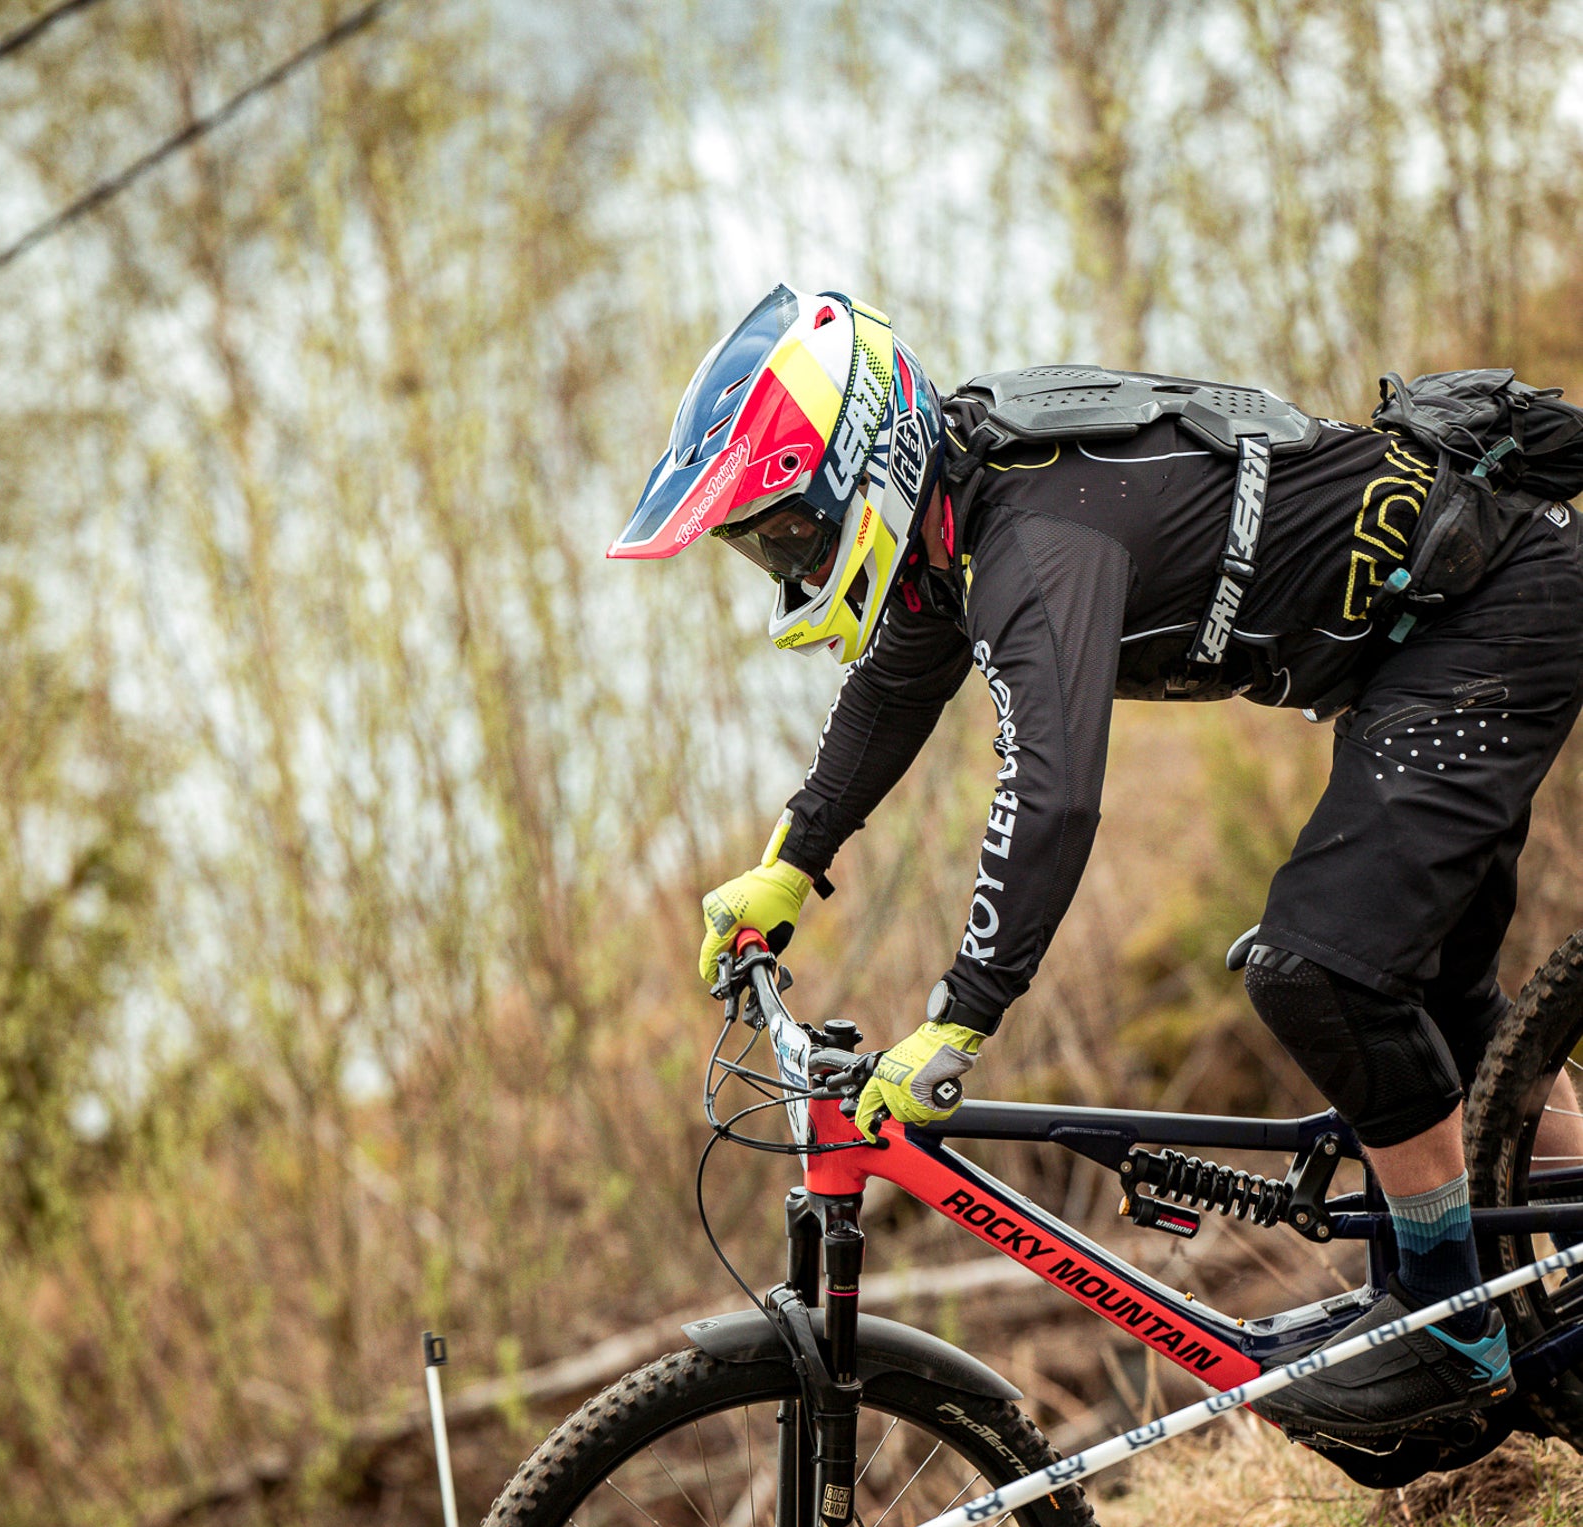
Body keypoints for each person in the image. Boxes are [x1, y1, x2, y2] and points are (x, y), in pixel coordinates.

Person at [607, 283, 1583, 1448]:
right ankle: (1554, 1261)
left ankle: (1453, 1330)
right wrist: (789, 861)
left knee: (1325, 969)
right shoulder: (960, 500)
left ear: (859, 471)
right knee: (1447, 1002)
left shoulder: (1035, 543)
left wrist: (960, 1018)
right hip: (1444, 624)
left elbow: (1054, 791)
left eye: (781, 530)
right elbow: (899, 680)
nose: (779, 559)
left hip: (1490, 609)